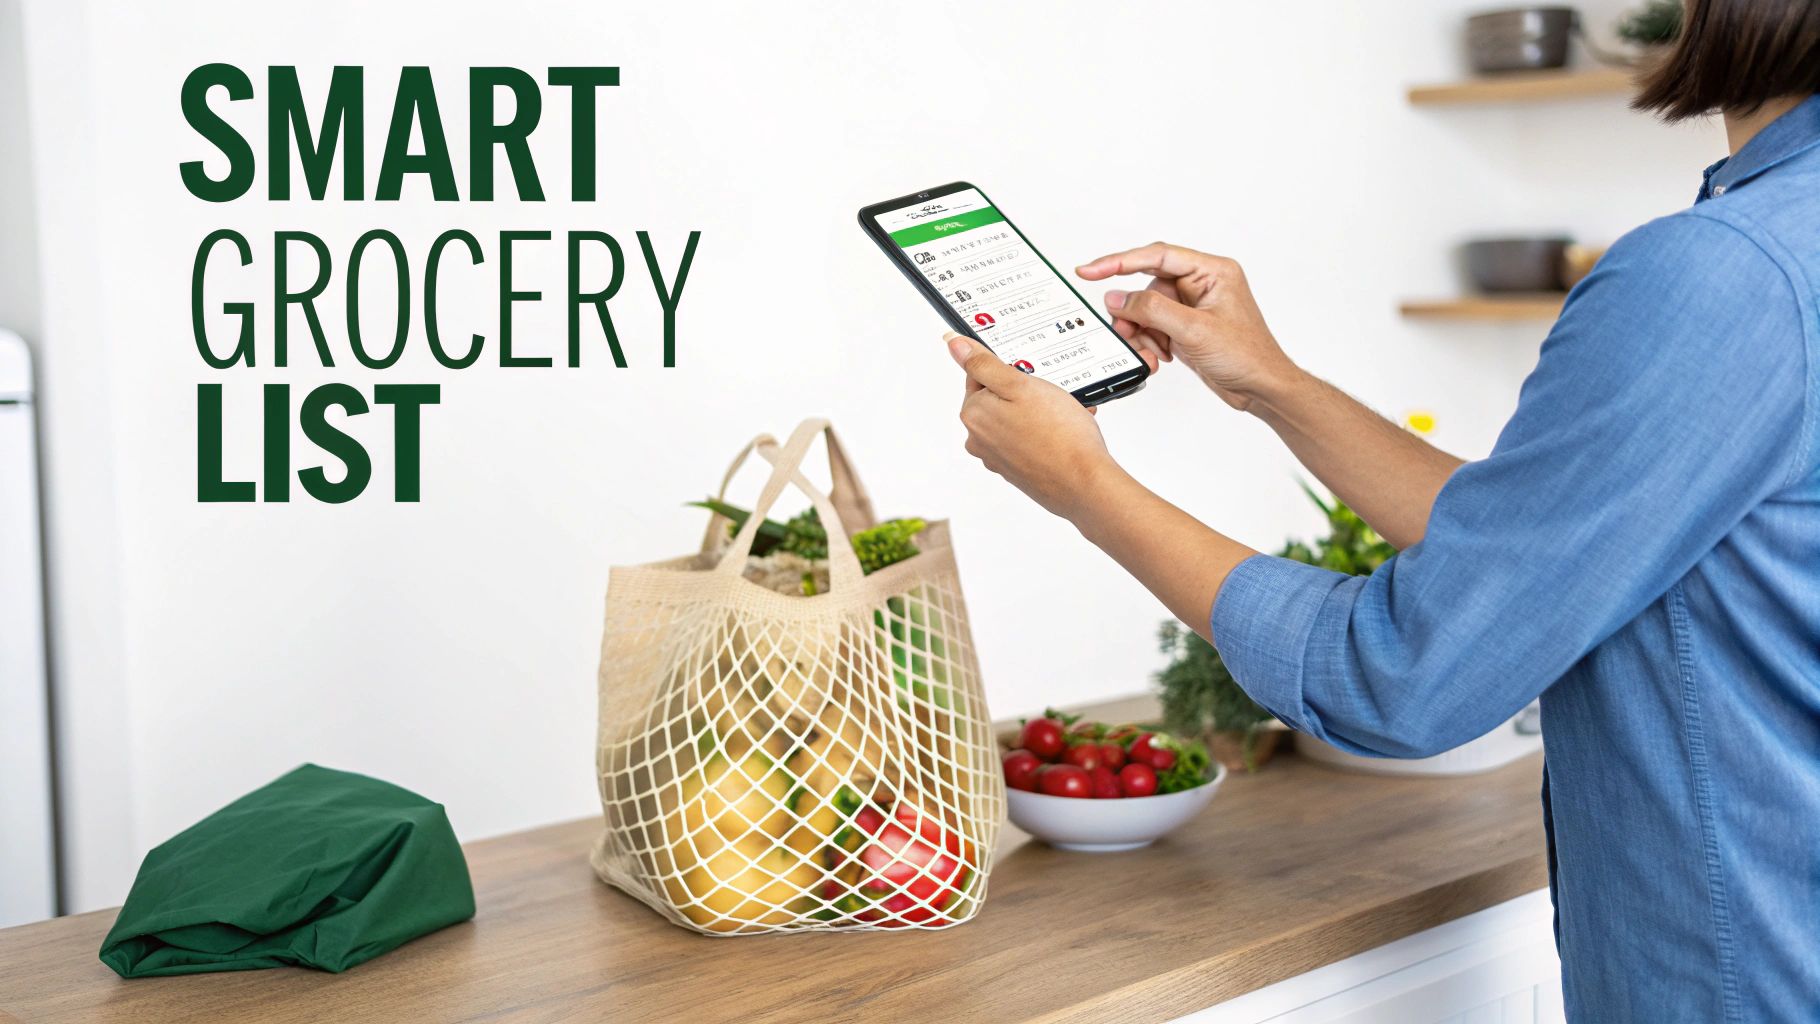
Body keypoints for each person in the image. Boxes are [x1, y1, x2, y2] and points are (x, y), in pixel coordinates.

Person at [943, 2, 1819, 1020]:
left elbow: (1402, 674)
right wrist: (1270, 382)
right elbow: (1538, 554)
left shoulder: (1723, 272)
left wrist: (1083, 487)